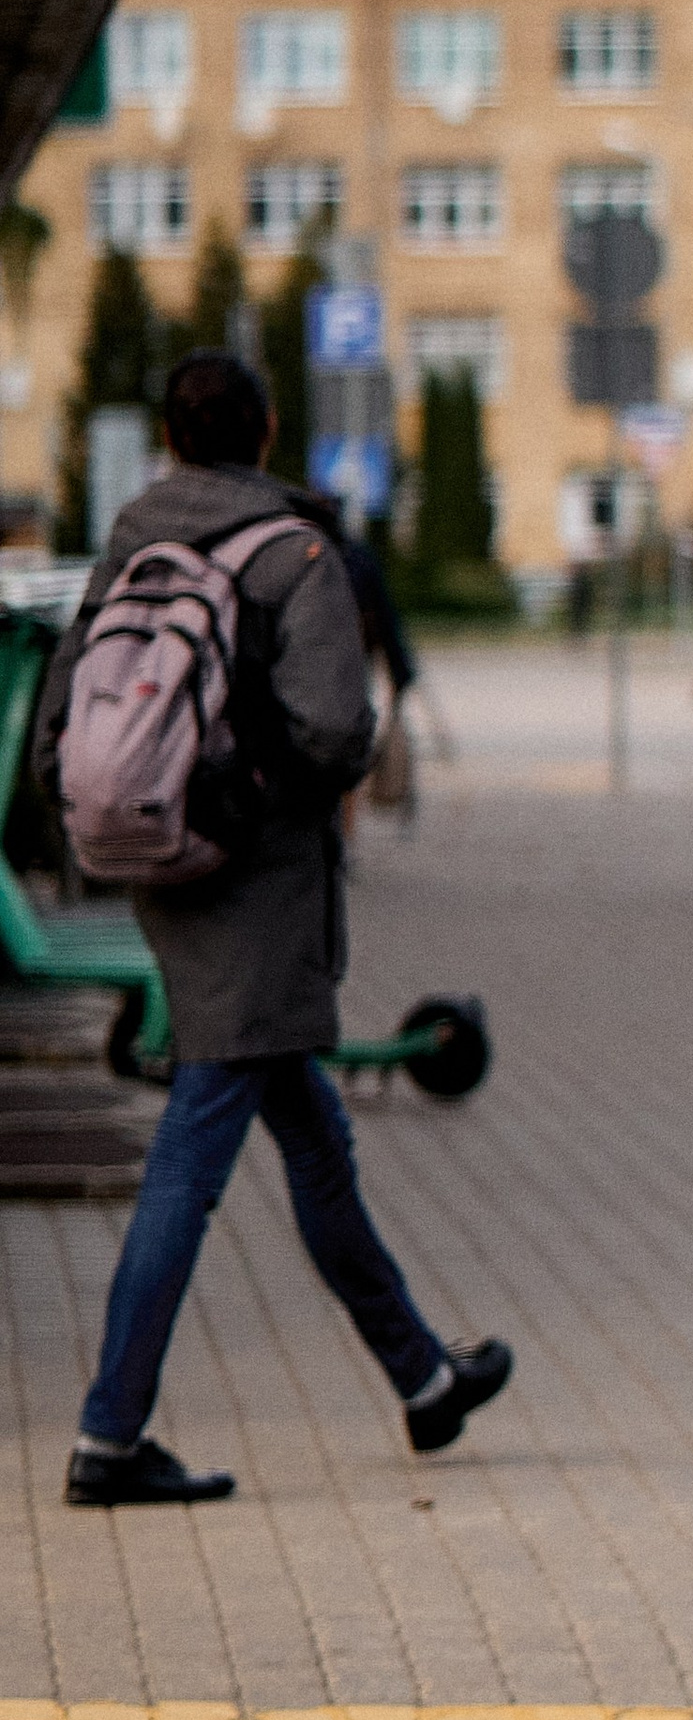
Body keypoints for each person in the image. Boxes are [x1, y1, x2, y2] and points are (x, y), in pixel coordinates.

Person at [35, 351, 514, 1508]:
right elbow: (338, 732)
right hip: (259, 881)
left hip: (159, 868)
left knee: (310, 1133)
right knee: (194, 1157)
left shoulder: (132, 545)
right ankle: (108, 1433)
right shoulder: (292, 553)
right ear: (269, 430)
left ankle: (422, 1376)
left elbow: (62, 715)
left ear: (168, 435)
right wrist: (262, 792)